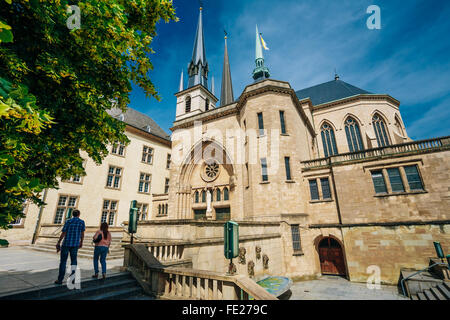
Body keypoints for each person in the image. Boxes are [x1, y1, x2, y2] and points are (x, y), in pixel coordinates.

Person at [55, 209, 85, 285]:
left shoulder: (68, 221)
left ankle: (60, 279)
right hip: (75, 244)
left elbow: (64, 232)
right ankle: (73, 279)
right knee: (74, 261)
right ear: (79, 214)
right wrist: (81, 242)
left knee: (63, 262)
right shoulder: (81, 222)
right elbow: (82, 233)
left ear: (72, 214)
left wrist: (59, 242)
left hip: (66, 244)